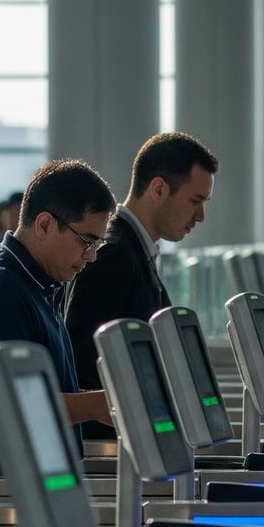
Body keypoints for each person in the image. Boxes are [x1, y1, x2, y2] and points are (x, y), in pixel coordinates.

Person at [0, 159, 117, 475]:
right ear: (43, 225)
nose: (92, 256)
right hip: (7, 496)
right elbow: (7, 404)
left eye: (98, 243)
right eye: (86, 241)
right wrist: (98, 405)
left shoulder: (40, 283)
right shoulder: (0, 291)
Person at [65, 132, 218, 393]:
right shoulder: (115, 255)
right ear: (158, 189)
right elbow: (83, 369)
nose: (200, 216)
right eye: (195, 200)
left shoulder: (135, 251)